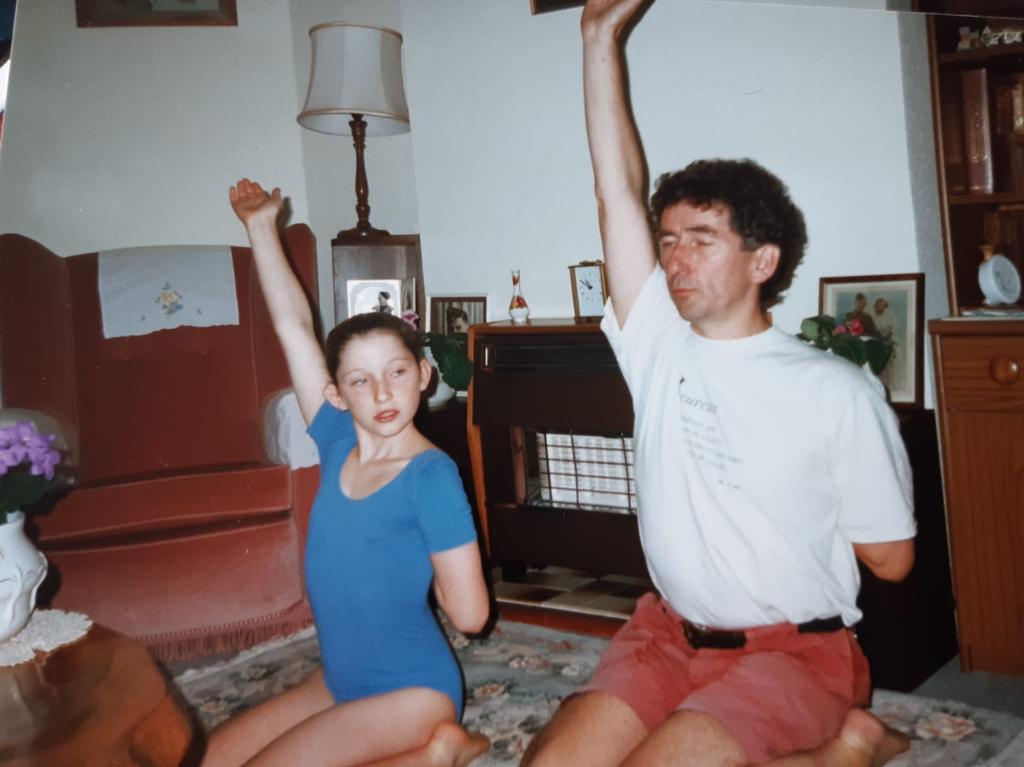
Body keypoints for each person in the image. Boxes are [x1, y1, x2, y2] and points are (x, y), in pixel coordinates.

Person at [522, 2, 917, 766]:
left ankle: (849, 746)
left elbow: (893, 559)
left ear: (762, 261)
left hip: (795, 653)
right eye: (668, 241)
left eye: (701, 242)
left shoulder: (834, 390)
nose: (675, 260)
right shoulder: (658, 346)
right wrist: (597, 38)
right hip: (666, 632)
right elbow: (615, 194)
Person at [202, 179, 491, 767]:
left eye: (397, 372)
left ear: (425, 376)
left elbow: (472, 615)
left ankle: (441, 749)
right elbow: (293, 328)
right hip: (338, 680)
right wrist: (261, 227)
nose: (382, 392)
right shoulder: (335, 441)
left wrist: (440, 564)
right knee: (201, 759)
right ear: (336, 394)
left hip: (414, 691)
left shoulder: (431, 477)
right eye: (360, 380)